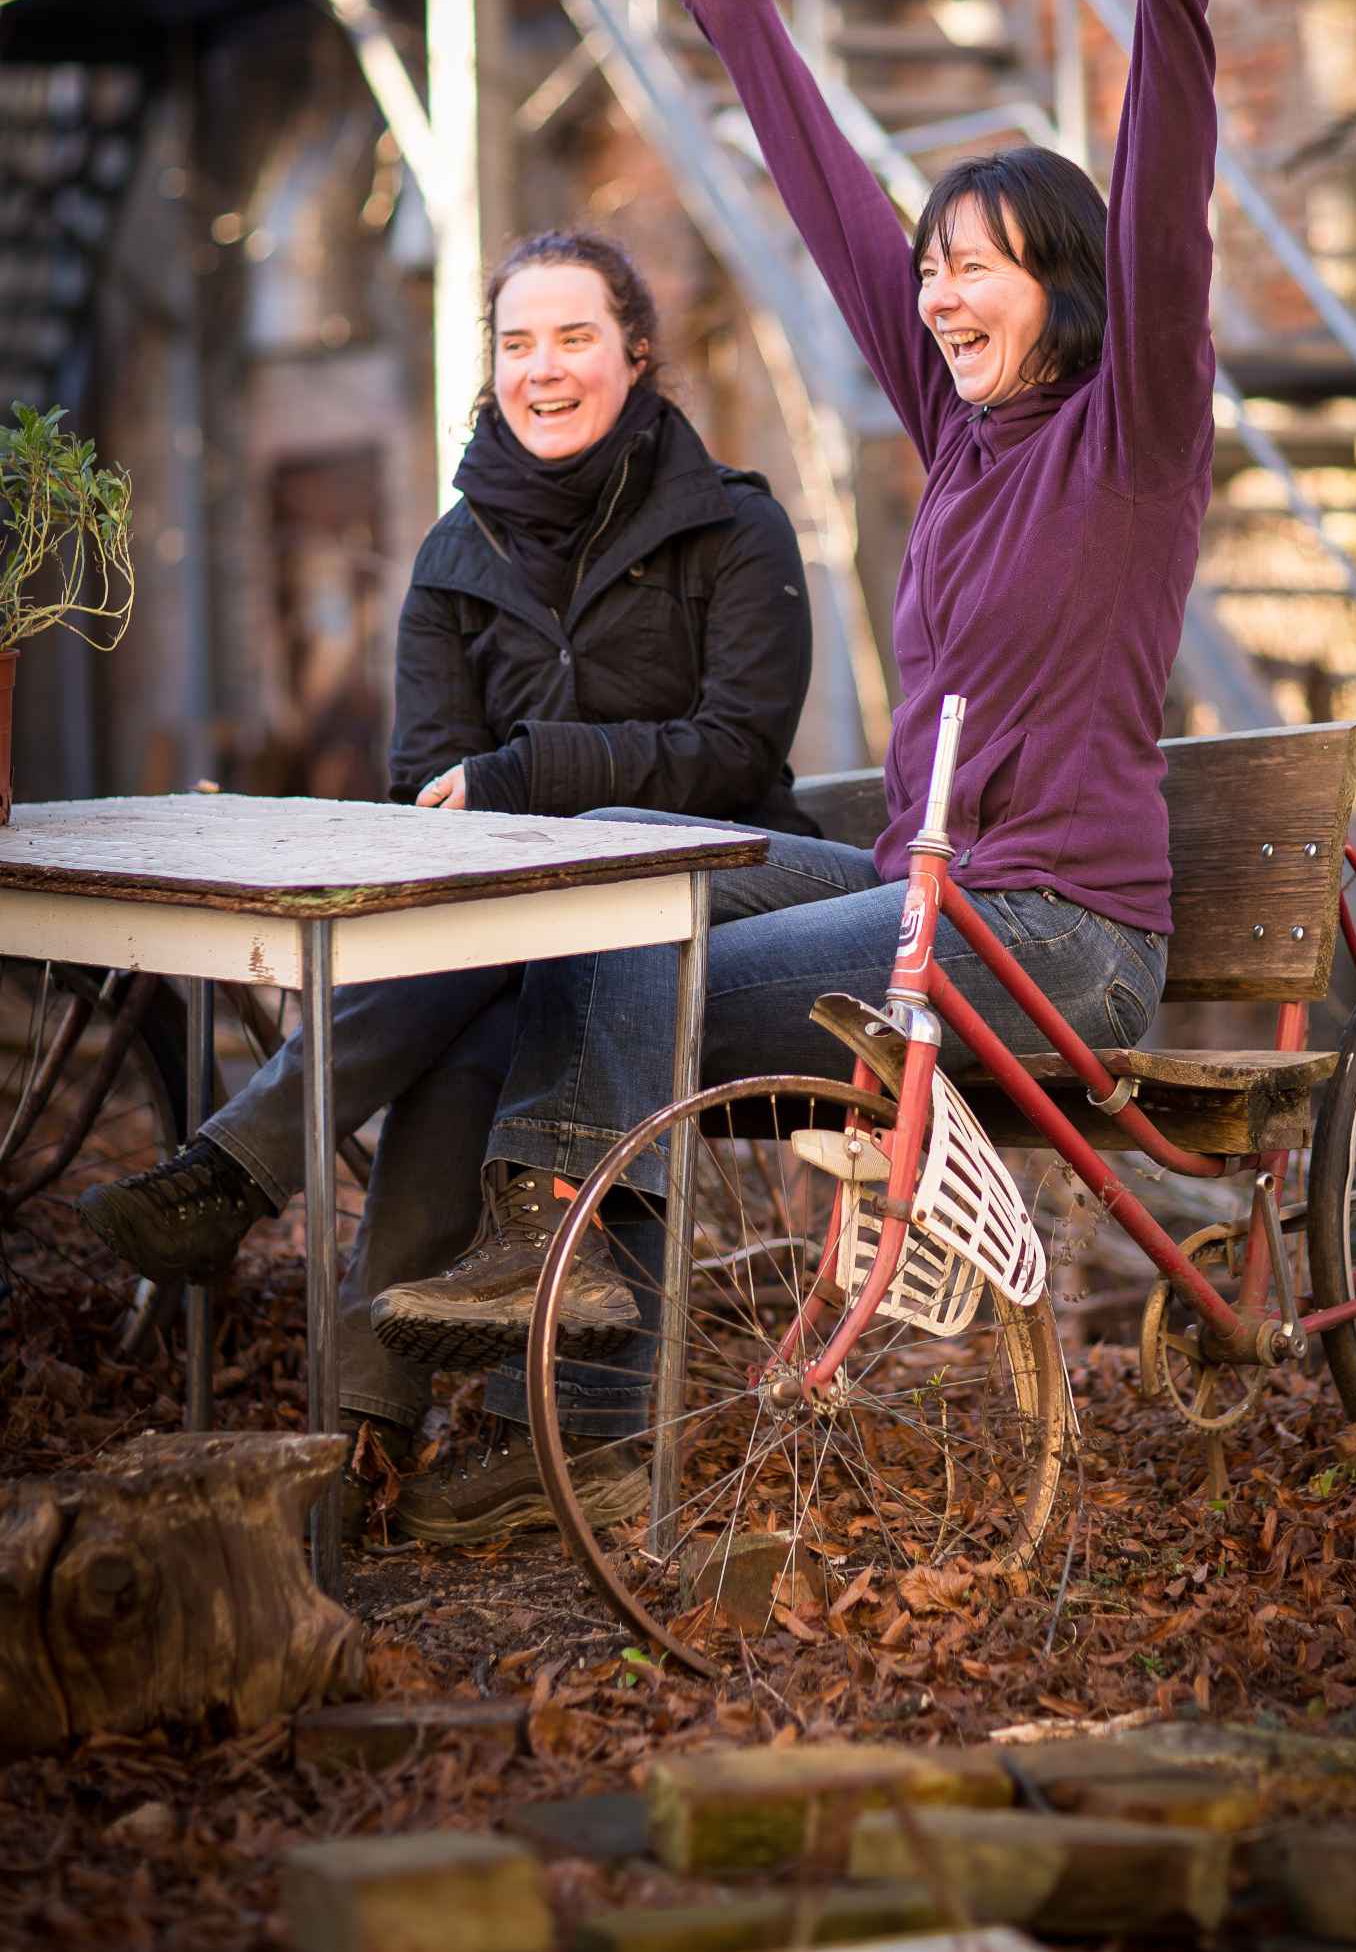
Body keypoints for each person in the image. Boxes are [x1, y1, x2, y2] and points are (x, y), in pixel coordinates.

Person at [363, 0, 1220, 1545]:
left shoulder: (1136, 433)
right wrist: (740, 20)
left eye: (979, 269)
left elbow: (1166, 207)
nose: (941, 298)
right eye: (937, 276)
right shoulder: (964, 434)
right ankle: (581, 1305)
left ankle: (593, 1382)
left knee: (630, 963)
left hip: (1059, 930)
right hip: (928, 889)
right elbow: (842, 228)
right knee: (612, 871)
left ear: (1066, 283)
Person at [82, 226, 816, 1533]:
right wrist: (508, 811)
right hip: (517, 927)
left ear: (635, 355)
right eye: (518, 342)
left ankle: (251, 1191)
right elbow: (427, 783)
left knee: (524, 960)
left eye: (574, 338)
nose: (543, 369)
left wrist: (527, 774)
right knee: (483, 1004)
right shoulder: (453, 556)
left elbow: (733, 750)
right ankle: (372, 1447)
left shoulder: (733, 527)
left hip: (714, 902)